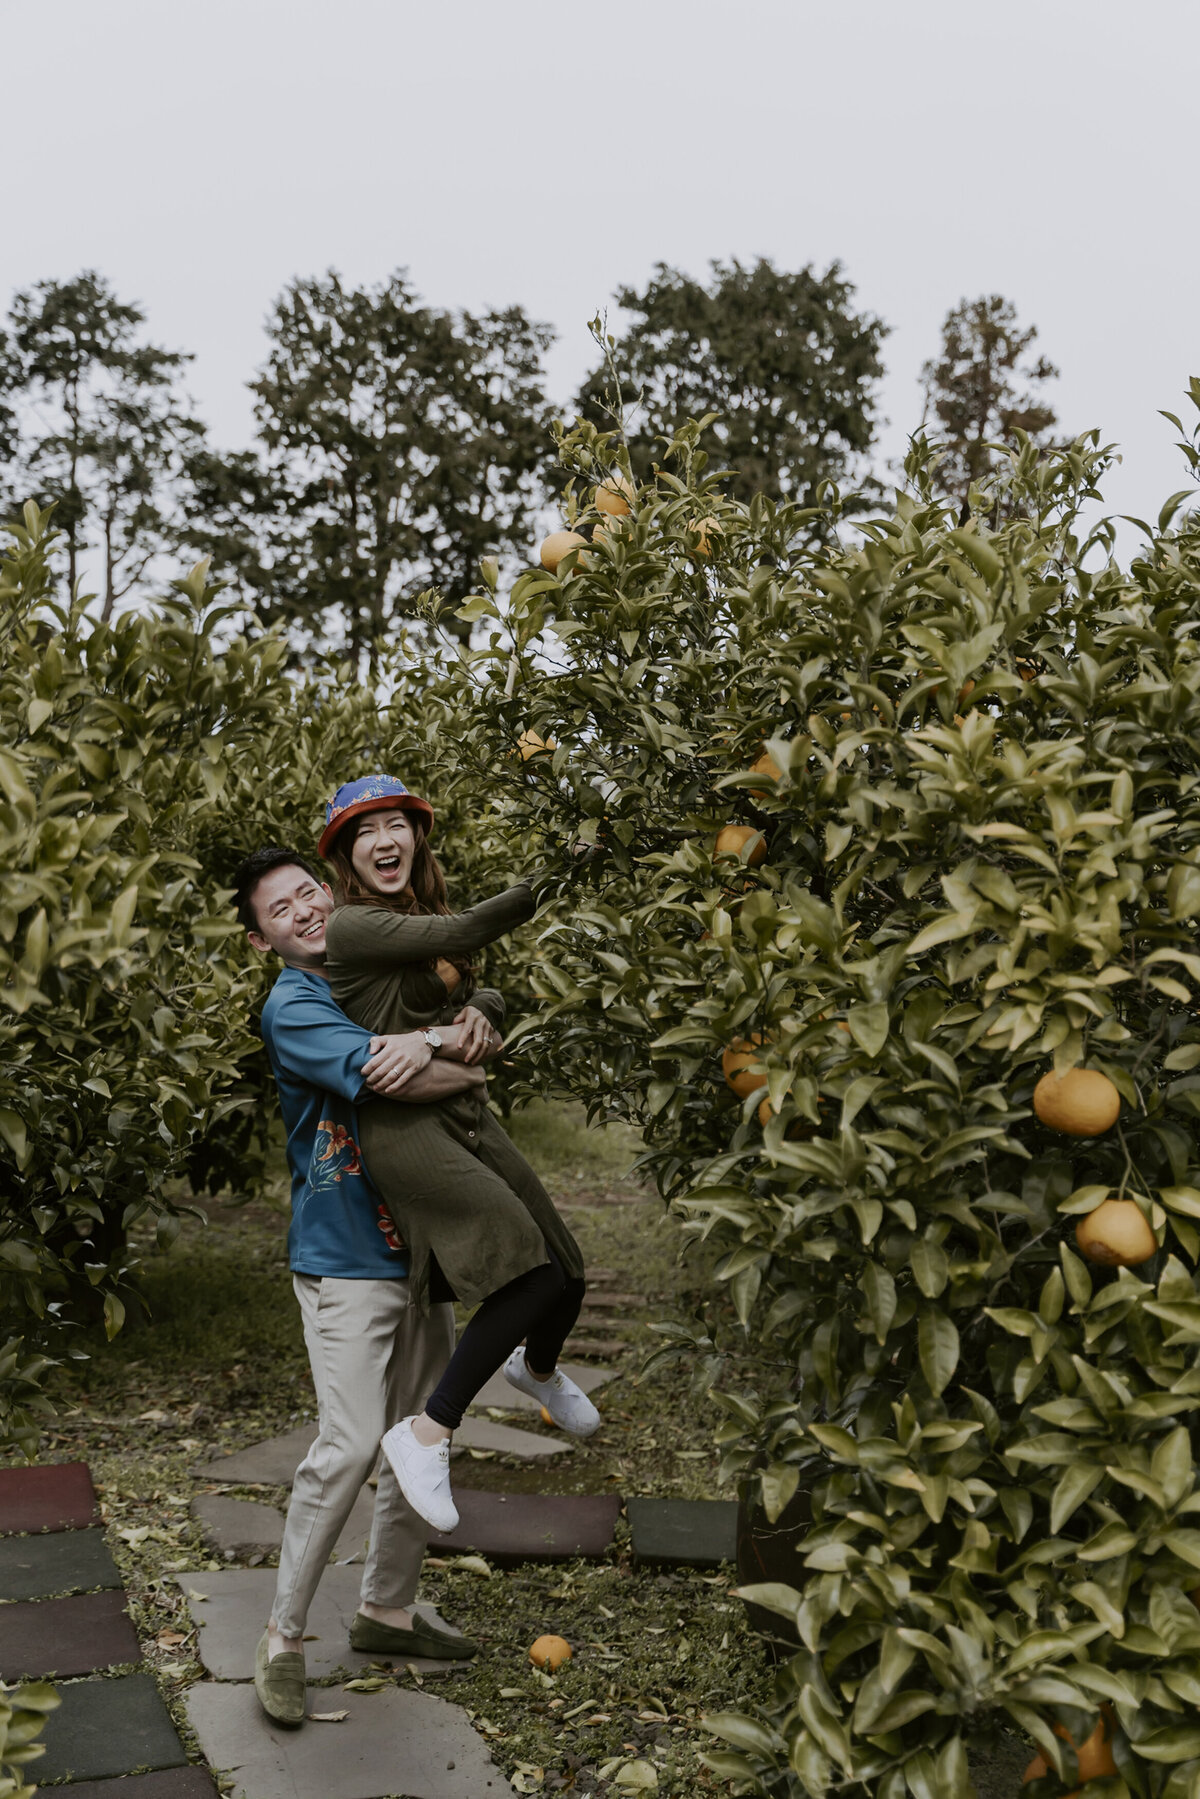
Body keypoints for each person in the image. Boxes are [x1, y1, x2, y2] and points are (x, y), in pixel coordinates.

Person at [232, 845, 499, 1730]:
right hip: (346, 1254)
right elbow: (414, 1074)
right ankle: (281, 1635)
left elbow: (460, 1062)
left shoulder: (369, 974)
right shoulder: (296, 1002)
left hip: (419, 1242)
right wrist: (436, 1045)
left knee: (420, 1437)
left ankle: (386, 1611)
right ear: (262, 937)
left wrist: (450, 1039)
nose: (304, 910)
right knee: (347, 1444)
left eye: (309, 891)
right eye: (280, 909)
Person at [318, 774, 598, 1538]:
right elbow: (467, 934)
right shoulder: (351, 926)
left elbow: (476, 983)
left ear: (416, 835)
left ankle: (533, 1370)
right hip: (404, 1127)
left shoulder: (423, 911)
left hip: (464, 1107)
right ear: (346, 852)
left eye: (396, 824)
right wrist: (568, 867)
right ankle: (426, 1433)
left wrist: (478, 1008)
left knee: (568, 1270)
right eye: (366, 829)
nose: (385, 839)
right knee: (526, 1272)